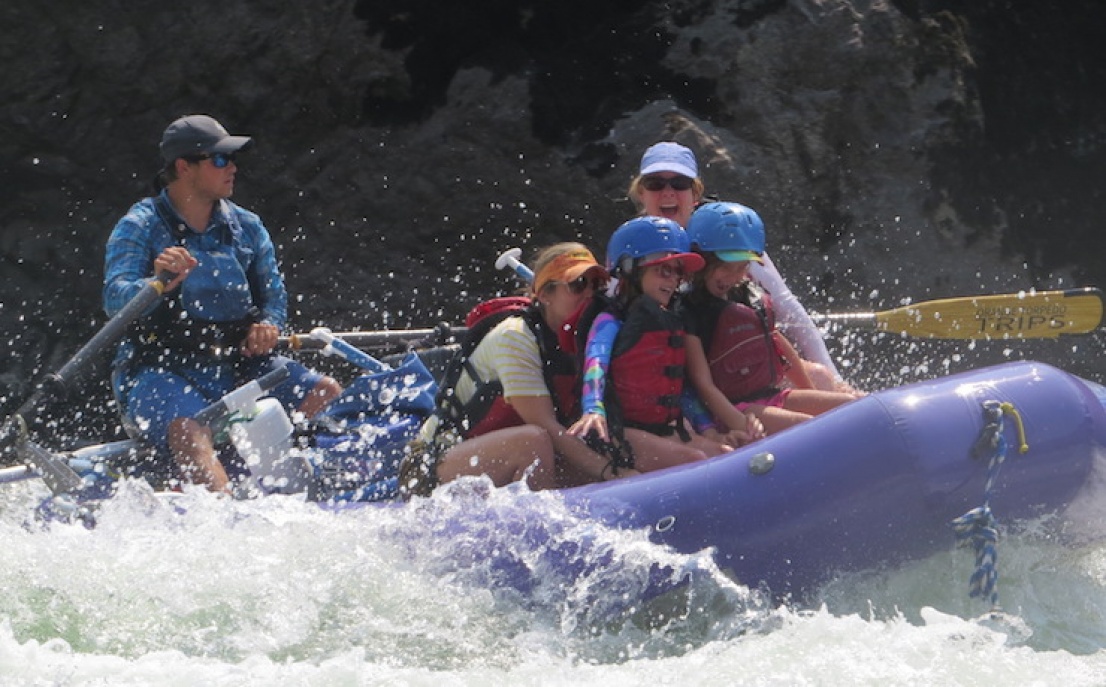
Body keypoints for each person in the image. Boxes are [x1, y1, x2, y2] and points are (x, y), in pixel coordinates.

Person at [103, 114, 342, 493]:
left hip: (237, 364)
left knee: (326, 392)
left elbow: (273, 298)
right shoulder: (139, 225)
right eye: (219, 160)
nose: (231, 167)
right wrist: (156, 282)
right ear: (184, 168)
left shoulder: (247, 226)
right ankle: (224, 510)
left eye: (231, 159)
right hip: (160, 371)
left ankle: (299, 482)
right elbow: (114, 300)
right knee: (189, 427)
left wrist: (268, 324)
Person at [399, 243, 640, 497]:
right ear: (545, 295)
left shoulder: (590, 341)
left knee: (624, 446)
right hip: (429, 469)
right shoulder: (516, 336)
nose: (590, 295)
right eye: (578, 285)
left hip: (510, 459)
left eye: (596, 285)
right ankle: (547, 533)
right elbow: (547, 427)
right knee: (532, 442)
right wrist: (612, 474)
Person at [628, 141, 851, 392]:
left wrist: (837, 378)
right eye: (655, 183)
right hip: (681, 380)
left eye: (679, 183)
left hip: (735, 365)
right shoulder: (629, 247)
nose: (667, 191)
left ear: (695, 194)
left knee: (822, 377)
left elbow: (787, 306)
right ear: (641, 193)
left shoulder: (728, 230)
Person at [567, 216, 746, 471]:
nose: (672, 280)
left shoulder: (669, 321)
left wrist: (709, 430)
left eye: (678, 272)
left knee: (724, 452)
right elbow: (596, 362)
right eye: (663, 270)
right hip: (617, 431)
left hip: (661, 429)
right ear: (630, 268)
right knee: (695, 461)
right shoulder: (610, 320)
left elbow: (679, 387)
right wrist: (593, 409)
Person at [683, 202, 860, 436]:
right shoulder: (689, 310)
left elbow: (781, 350)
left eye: (742, 267)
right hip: (734, 410)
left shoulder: (747, 295)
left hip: (771, 396)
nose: (734, 276)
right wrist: (737, 422)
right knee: (817, 430)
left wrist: (811, 392)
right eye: (726, 267)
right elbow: (702, 383)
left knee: (854, 408)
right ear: (701, 259)